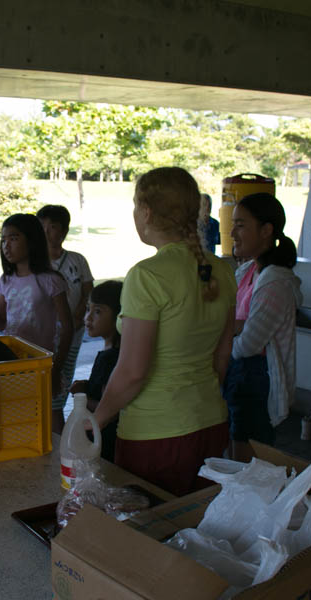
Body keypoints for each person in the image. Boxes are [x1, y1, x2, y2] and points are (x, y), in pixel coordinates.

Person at [91, 167, 237, 497]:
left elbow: (132, 372)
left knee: (152, 535)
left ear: (145, 212)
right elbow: (222, 357)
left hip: (156, 434)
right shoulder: (222, 271)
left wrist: (94, 421)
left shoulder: (146, 276)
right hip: (211, 423)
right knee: (197, 528)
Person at [225, 193, 303, 463]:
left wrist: (221, 342)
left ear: (267, 230)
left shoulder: (275, 282)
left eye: (241, 225)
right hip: (239, 375)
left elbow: (247, 345)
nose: (232, 232)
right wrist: (233, 328)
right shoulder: (247, 271)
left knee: (250, 465)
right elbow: (230, 321)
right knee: (236, 452)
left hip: (254, 380)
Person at [0, 213, 73, 398]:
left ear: (32, 240)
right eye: (3, 240)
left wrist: (56, 366)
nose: (6, 245)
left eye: (13, 238)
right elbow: (1, 319)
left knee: (46, 416)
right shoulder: (5, 280)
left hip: (41, 363)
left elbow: (68, 328)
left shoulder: (51, 280)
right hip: (12, 362)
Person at [36, 205, 94, 433]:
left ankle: (58, 438)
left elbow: (88, 289)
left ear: (64, 231)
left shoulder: (77, 260)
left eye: (53, 227)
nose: (47, 232)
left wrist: (78, 316)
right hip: (44, 336)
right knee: (42, 386)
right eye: (43, 228)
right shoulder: (35, 263)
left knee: (59, 387)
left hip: (73, 333)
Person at [69, 280, 122, 462]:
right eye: (88, 309)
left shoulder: (113, 359)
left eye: (98, 311)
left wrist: (80, 395)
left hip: (105, 441)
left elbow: (109, 409)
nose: (88, 317)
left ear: (119, 317)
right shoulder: (110, 354)